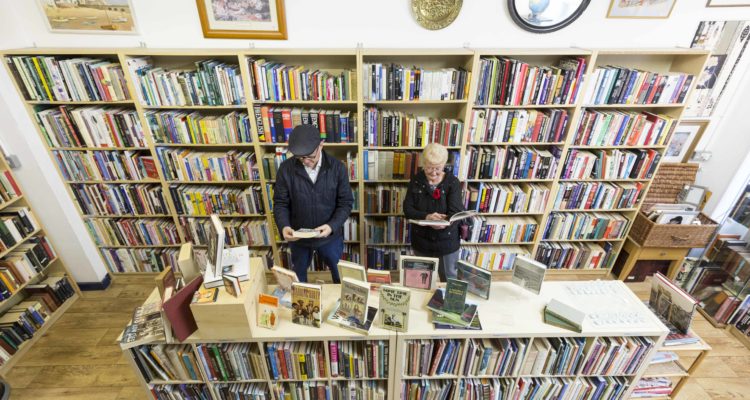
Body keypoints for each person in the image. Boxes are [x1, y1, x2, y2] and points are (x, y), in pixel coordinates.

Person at [273, 124, 354, 283]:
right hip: (299, 239)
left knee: (338, 275)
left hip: (329, 237)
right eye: (300, 157)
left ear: (321, 145)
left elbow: (345, 203)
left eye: (310, 156)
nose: (305, 161)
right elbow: (280, 203)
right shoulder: (285, 169)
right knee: (299, 278)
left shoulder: (337, 168)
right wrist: (284, 226)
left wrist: (331, 226)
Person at [404, 143, 464, 281]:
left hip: (447, 242)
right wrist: (427, 217)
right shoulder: (416, 181)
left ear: (444, 165)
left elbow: (456, 212)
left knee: (450, 279)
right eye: (429, 168)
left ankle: (448, 303)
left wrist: (444, 223)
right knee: (421, 280)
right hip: (422, 241)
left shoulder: (452, 183)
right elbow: (408, 210)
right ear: (423, 164)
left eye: (438, 168)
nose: (433, 172)